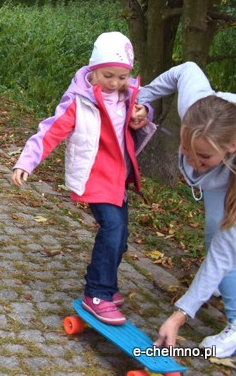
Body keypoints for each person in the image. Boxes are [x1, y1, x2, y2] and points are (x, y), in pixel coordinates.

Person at [12, 32, 154, 325]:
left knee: (121, 238)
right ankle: (98, 293)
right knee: (112, 229)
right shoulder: (79, 101)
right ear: (93, 70)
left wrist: (144, 112)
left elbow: (141, 113)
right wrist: (27, 161)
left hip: (119, 180)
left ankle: (105, 284)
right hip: (94, 177)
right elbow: (50, 132)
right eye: (108, 75)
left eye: (122, 76)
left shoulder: (128, 96)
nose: (115, 83)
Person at [137, 63, 236, 357]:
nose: (192, 163)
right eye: (185, 150)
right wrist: (141, 98)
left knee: (227, 247)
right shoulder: (197, 108)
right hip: (221, 175)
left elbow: (223, 252)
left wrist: (180, 314)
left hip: (229, 182)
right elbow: (187, 69)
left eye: (203, 157)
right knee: (212, 231)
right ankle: (215, 285)